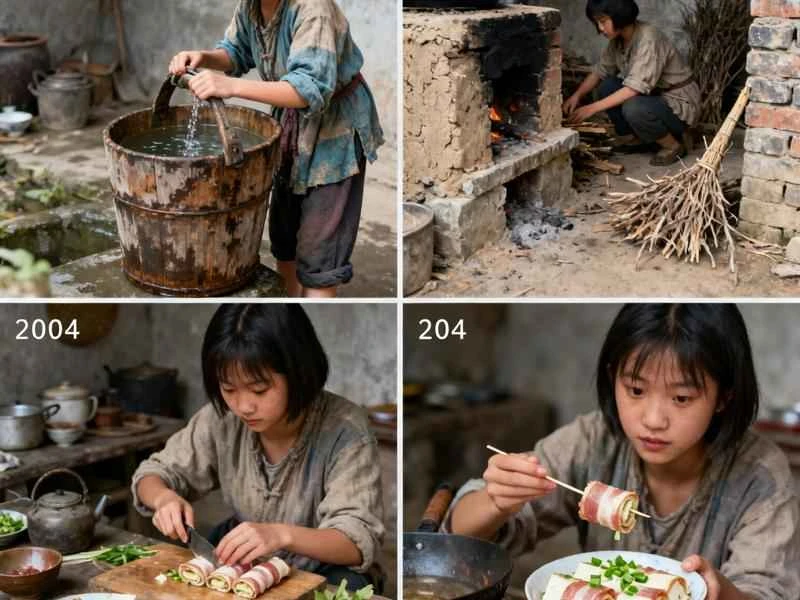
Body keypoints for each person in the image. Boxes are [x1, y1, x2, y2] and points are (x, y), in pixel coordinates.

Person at [447, 304, 800, 600]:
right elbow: (457, 542)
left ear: (724, 397)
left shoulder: (760, 475)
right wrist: (495, 501)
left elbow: (768, 591)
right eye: (635, 389)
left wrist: (721, 593)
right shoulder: (594, 441)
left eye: (681, 398)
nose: (652, 420)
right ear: (612, 376)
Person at [132, 304, 385, 590]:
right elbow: (153, 474)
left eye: (259, 390)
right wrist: (164, 498)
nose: (243, 406)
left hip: (327, 572)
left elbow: (355, 542)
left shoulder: (345, 430)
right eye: (228, 389)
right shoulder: (222, 419)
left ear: (298, 371)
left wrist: (280, 535)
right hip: (245, 565)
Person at [169, 0, 384, 298]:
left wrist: (229, 86)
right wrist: (203, 57)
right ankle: (292, 302)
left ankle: (315, 302)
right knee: (286, 239)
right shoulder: (251, 7)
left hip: (336, 132)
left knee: (319, 254)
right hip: (291, 123)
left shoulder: (313, 10)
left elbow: (310, 87)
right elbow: (235, 51)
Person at [563, 0, 701, 166]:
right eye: (597, 22)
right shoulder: (618, 39)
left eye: (603, 21)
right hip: (654, 97)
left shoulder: (648, 39)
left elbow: (634, 89)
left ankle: (673, 146)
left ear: (619, 17)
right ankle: (634, 139)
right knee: (607, 86)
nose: (600, 28)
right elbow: (600, 71)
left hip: (678, 102)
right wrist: (577, 96)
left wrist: (591, 108)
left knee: (634, 107)